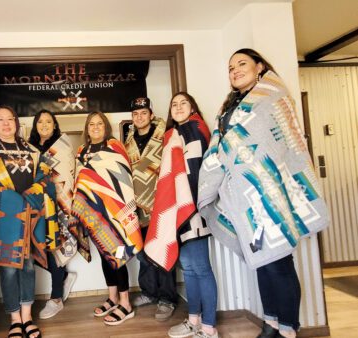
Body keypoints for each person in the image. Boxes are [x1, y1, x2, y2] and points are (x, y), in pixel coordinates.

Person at [198, 49, 330, 338]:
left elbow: (279, 141)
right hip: (244, 195)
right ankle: (270, 322)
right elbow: (223, 146)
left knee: (279, 260)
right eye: (230, 67)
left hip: (269, 189)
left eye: (241, 64)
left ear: (259, 66)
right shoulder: (229, 106)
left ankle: (288, 329)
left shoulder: (272, 95)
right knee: (261, 260)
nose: (234, 70)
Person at [0, 106, 57, 338]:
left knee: (27, 266)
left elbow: (43, 175)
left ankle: (27, 316)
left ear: (17, 123)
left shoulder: (29, 149)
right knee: (8, 269)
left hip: (29, 216)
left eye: (10, 119)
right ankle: (14, 318)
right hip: (3, 219)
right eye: (1, 120)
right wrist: (8, 198)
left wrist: (33, 192)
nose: (6, 124)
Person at [144, 92, 218, 338]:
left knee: (200, 268)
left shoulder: (197, 130)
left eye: (183, 103)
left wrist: (196, 207)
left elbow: (199, 174)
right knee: (187, 268)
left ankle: (208, 327)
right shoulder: (172, 136)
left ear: (193, 107)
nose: (178, 107)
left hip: (194, 210)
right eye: (173, 104)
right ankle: (193, 319)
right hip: (177, 210)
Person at [70, 111, 143, 326]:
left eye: (99, 123)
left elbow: (123, 180)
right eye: (91, 124)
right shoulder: (82, 151)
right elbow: (81, 182)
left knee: (117, 258)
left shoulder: (115, 147)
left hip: (116, 215)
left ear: (106, 127)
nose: (95, 127)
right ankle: (112, 298)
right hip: (94, 214)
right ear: (87, 128)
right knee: (105, 256)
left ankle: (126, 304)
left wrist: (120, 211)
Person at [123, 97, 178, 321]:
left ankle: (167, 298)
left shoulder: (165, 136)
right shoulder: (127, 142)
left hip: (161, 201)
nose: (139, 117)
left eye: (143, 113)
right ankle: (149, 293)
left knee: (162, 249)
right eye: (135, 114)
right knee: (143, 253)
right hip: (137, 205)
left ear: (151, 115)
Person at [27, 110, 77, 320]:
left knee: (54, 248)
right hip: (36, 206)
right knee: (31, 248)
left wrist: (68, 207)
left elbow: (70, 175)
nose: (45, 124)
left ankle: (56, 298)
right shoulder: (27, 148)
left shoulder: (64, 147)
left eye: (49, 121)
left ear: (55, 125)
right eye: (41, 121)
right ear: (35, 125)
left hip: (59, 206)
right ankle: (64, 276)